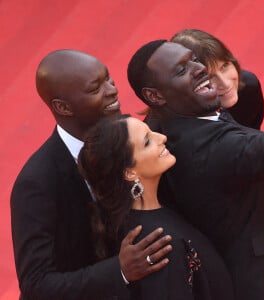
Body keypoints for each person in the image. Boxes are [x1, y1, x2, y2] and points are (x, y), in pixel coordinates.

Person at [127, 40, 264, 300]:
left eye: (194, 59)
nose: (199, 69)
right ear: (155, 96)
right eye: (181, 70)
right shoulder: (201, 147)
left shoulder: (189, 115)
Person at [10, 49, 173, 300]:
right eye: (96, 88)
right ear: (63, 107)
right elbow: (36, 283)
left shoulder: (135, 138)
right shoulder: (37, 182)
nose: (112, 90)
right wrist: (120, 271)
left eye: (108, 78)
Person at [78, 114, 234, 300]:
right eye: (147, 142)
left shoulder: (149, 215)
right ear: (129, 172)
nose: (162, 138)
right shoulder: (155, 242)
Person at [170, 28, 264, 191]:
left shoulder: (247, 88)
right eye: (209, 77)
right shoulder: (169, 131)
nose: (225, 83)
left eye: (224, 66)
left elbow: (251, 136)